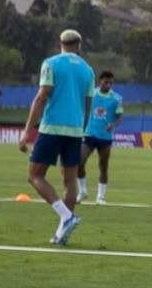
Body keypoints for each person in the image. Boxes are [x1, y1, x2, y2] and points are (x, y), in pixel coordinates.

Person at [18, 29, 95, 245]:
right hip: (75, 131)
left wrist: (26, 132)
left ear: (59, 43)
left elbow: (42, 97)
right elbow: (88, 107)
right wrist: (81, 130)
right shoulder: (88, 71)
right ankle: (62, 232)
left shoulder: (51, 63)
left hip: (52, 129)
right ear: (79, 45)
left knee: (34, 175)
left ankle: (66, 216)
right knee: (70, 181)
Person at [78, 70, 124, 205]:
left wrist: (113, 125)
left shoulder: (117, 98)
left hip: (105, 137)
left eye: (111, 83)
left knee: (103, 167)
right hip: (89, 134)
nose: (108, 85)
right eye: (106, 82)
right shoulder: (91, 94)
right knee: (79, 162)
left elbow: (120, 116)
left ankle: (101, 197)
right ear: (100, 82)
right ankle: (82, 191)